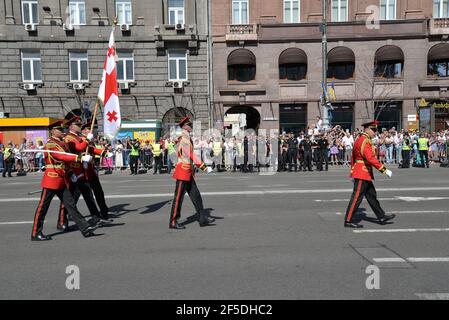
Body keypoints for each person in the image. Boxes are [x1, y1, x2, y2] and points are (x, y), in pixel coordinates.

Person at [30, 120, 96, 241]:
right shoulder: (51, 144)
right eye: (59, 130)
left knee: (71, 206)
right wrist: (79, 157)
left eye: (62, 129)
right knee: (43, 208)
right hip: (51, 179)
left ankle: (85, 228)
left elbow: (66, 161)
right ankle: (35, 233)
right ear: (52, 131)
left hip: (62, 179)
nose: (62, 131)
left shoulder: (62, 143)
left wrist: (71, 173)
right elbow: (61, 156)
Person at [344, 120, 395, 228]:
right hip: (362, 172)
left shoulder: (362, 139)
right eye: (374, 130)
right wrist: (384, 169)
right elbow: (370, 158)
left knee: (371, 196)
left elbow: (355, 157)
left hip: (362, 172)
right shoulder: (364, 141)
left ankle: (381, 216)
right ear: (367, 129)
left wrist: (353, 170)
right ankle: (348, 220)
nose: (375, 133)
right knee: (356, 197)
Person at [169, 116, 214, 229]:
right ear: (184, 126)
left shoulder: (186, 138)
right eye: (189, 125)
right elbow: (191, 155)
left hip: (187, 172)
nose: (191, 126)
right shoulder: (184, 139)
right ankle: (173, 221)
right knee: (178, 198)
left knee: (196, 196)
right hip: (183, 171)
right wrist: (204, 167)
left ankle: (202, 218)